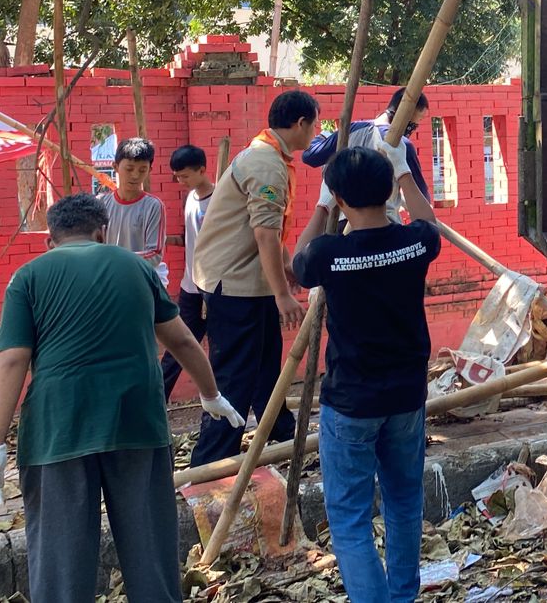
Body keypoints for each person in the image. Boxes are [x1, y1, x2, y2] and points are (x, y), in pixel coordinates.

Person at [0, 194, 243, 603]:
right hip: (136, 424)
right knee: (151, 555)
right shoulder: (137, 268)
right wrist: (211, 395)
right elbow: (184, 340)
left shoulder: (28, 276)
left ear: (51, 240)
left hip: (58, 432)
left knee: (61, 565)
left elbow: (13, 359)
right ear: (102, 232)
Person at [292, 146, 440, 603]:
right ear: (389, 189)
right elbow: (428, 222)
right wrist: (405, 175)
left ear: (339, 198)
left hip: (352, 401)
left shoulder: (330, 253)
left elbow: (297, 263)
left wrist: (321, 206)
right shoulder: (415, 243)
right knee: (403, 503)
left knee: (350, 518)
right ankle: (401, 595)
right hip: (406, 397)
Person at [188, 89, 320, 466]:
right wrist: (282, 294)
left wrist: (288, 268)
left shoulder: (268, 156)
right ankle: (210, 464)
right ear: (300, 124)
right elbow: (263, 233)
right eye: (314, 125)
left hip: (246, 282)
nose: (314, 134)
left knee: (265, 368)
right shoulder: (266, 164)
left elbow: (268, 233)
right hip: (235, 286)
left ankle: (279, 433)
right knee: (234, 377)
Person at [303, 87, 432, 218]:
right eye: (419, 119)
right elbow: (423, 199)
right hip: (385, 225)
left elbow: (310, 156)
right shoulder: (402, 145)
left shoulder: (351, 131)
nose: (416, 126)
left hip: (344, 225)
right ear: (406, 114)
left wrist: (323, 136)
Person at [160, 144, 214, 400]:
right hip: (190, 287)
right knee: (177, 348)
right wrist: (167, 240)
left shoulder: (218, 202)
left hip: (214, 288)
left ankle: (216, 400)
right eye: (177, 176)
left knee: (219, 349)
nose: (181, 181)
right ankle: (157, 397)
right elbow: (190, 237)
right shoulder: (190, 198)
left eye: (185, 176)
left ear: (202, 170)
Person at [98, 137, 165, 271]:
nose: (135, 175)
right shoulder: (101, 203)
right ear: (115, 167)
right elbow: (93, 245)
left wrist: (115, 260)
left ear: (149, 170)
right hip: (106, 276)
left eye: (142, 170)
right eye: (129, 169)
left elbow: (155, 254)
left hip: (138, 277)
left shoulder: (153, 206)